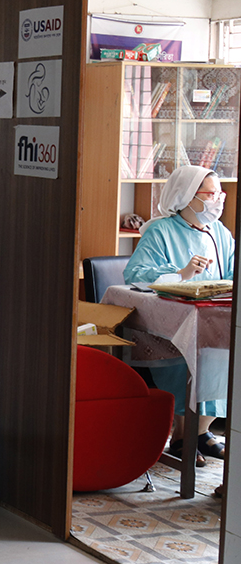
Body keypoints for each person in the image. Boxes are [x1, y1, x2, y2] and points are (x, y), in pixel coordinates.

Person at [123, 164, 233, 466]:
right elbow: (135, 273)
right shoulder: (161, 231)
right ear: (187, 195)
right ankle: (181, 437)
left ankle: (200, 433)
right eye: (210, 195)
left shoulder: (219, 233)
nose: (218, 201)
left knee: (225, 357)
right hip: (167, 328)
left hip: (211, 321)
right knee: (195, 360)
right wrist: (182, 274)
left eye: (220, 194)